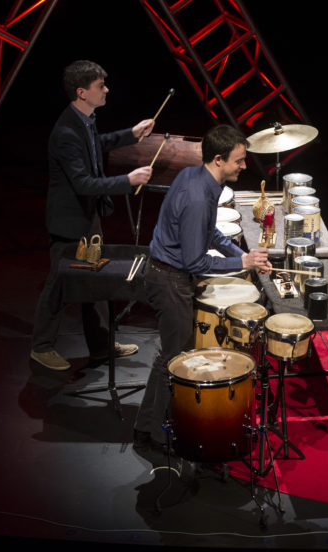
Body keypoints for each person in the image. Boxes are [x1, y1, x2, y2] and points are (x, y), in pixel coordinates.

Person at [133, 124, 271, 453]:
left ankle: (145, 423)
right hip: (169, 280)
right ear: (220, 159)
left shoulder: (195, 177)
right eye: (239, 160)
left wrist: (243, 256)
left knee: (169, 354)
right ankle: (154, 432)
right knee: (174, 359)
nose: (244, 166)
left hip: (169, 274)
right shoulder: (198, 198)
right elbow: (196, 262)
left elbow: (211, 235)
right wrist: (243, 265)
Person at [30, 60, 154, 371]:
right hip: (69, 223)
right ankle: (41, 347)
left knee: (96, 283)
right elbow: (83, 184)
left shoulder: (83, 120)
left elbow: (96, 145)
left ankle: (100, 346)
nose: (107, 90)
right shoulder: (66, 132)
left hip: (88, 219)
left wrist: (132, 134)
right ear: (82, 92)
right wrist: (128, 181)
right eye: (101, 86)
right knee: (60, 286)